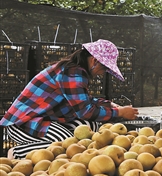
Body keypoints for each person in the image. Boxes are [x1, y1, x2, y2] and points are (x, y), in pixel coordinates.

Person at [0, 39, 139, 159]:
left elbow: (85, 101)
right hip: (23, 123)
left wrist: (111, 105)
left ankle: (34, 149)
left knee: (89, 128)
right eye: (104, 69)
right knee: (68, 143)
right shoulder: (72, 73)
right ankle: (18, 153)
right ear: (94, 61)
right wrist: (119, 113)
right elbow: (85, 111)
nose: (102, 73)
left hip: (44, 120)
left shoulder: (75, 71)